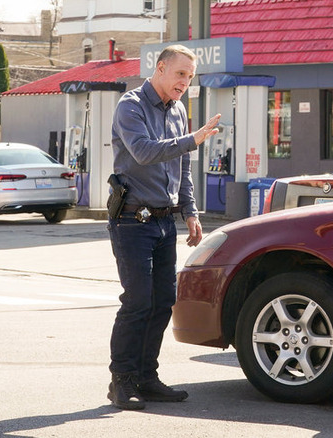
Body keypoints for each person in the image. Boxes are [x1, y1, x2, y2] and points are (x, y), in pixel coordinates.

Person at [107, 44, 221, 410]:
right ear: (160, 69)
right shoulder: (131, 106)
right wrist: (194, 138)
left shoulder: (178, 110)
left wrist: (190, 211)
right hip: (131, 220)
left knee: (162, 303)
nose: (185, 82)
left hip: (163, 220)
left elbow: (182, 167)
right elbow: (143, 151)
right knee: (138, 301)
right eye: (180, 74)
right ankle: (121, 381)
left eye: (190, 76)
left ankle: (146, 377)